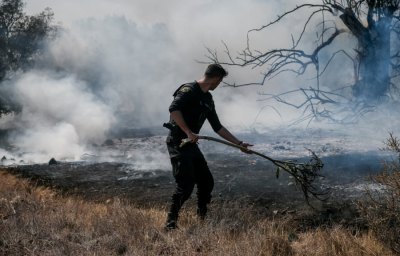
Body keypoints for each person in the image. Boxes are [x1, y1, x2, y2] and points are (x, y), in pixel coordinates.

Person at [164, 64, 253, 230]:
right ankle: (170, 223)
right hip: (178, 142)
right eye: (220, 81)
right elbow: (174, 109)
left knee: (206, 181)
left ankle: (202, 217)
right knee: (185, 185)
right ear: (216, 79)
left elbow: (217, 127)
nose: (219, 85)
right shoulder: (188, 90)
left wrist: (239, 144)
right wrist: (188, 132)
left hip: (191, 144)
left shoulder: (208, 99)